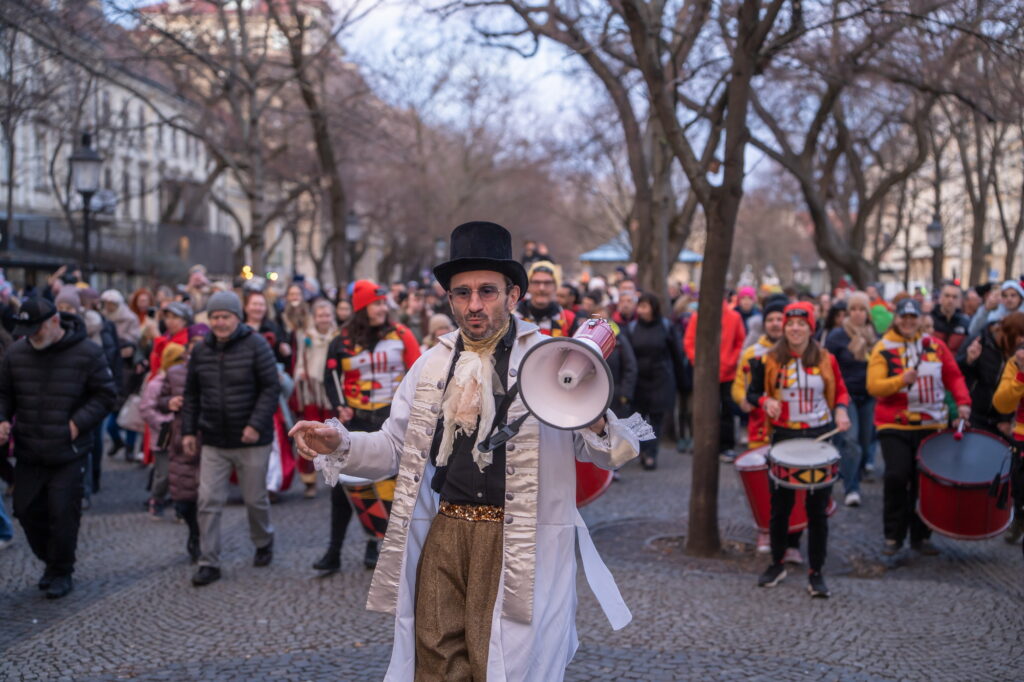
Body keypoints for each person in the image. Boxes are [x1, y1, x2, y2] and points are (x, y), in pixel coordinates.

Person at [290, 221, 640, 681]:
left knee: (501, 665)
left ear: (514, 295)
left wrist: (591, 413)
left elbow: (613, 452)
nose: (474, 305)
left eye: (487, 291)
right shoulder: (431, 363)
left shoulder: (553, 359)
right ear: (450, 299)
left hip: (518, 542)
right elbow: (395, 446)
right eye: (462, 293)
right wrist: (341, 442)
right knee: (434, 660)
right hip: (446, 530)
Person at [0, 298, 117, 598]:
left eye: (35, 329)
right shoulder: (16, 354)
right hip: (29, 449)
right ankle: (52, 561)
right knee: (26, 511)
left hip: (69, 451)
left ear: (54, 322)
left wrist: (78, 423)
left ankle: (61, 570)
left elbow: (106, 395)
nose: (30, 336)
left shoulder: (88, 353)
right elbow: (4, 394)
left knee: (63, 513)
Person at [315, 280, 421, 572]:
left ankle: (376, 544)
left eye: (384, 303)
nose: (383, 308)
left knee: (388, 483)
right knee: (341, 486)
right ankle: (333, 550)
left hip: (391, 417)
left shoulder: (402, 334)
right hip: (356, 418)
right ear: (362, 308)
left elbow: (417, 372)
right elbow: (330, 377)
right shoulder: (343, 339)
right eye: (376, 304)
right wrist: (339, 404)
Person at [747, 302, 851, 598]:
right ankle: (777, 562)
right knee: (780, 507)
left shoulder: (827, 358)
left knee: (817, 509)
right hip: (784, 437)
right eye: (790, 324)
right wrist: (764, 402)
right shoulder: (768, 360)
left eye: (801, 324)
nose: (794, 328)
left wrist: (841, 411)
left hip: (820, 438)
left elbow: (841, 391)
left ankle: (816, 572)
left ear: (810, 328)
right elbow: (753, 393)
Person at [182, 291, 281, 587]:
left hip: (252, 439)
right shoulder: (200, 351)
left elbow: (270, 389)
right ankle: (208, 561)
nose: (219, 322)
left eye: (225, 316)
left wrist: (254, 424)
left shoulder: (257, 345)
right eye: (214, 317)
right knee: (208, 501)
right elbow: (191, 394)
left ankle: (263, 541)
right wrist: (189, 430)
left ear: (237, 317)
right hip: (214, 438)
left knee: (255, 499)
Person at [868, 298, 971, 557]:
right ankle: (893, 534)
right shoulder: (883, 347)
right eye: (904, 317)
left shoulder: (935, 346)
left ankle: (921, 535)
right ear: (897, 318)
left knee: (925, 482)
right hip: (895, 423)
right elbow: (874, 386)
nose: (908, 322)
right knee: (897, 475)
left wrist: (963, 403)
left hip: (932, 422)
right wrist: (899, 380)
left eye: (913, 318)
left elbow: (953, 376)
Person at [732, 294, 788, 552]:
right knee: (763, 485)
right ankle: (763, 530)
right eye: (771, 319)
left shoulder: (796, 351)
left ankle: (790, 536)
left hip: (790, 429)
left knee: (788, 484)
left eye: (780, 319)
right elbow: (738, 387)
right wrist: (744, 400)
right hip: (759, 427)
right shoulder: (753, 352)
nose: (776, 323)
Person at [826, 292, 878, 507]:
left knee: (866, 443)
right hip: (846, 396)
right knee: (851, 441)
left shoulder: (874, 337)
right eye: (854, 309)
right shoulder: (837, 336)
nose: (858, 313)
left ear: (867, 313)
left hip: (869, 396)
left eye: (862, 309)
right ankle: (852, 488)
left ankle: (851, 469)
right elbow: (827, 368)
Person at [626, 292, 686, 470]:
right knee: (638, 420)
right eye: (640, 306)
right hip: (639, 381)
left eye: (645, 306)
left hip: (661, 379)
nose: (642, 310)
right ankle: (644, 450)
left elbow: (676, 354)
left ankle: (651, 454)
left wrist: (683, 380)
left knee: (656, 419)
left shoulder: (666, 327)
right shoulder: (632, 328)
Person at [684, 296, 746, 461]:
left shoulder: (734, 317)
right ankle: (704, 444)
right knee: (703, 411)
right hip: (705, 374)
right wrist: (699, 363)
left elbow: (740, 342)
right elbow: (689, 342)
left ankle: (726, 447)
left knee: (727, 410)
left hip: (728, 373)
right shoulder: (697, 317)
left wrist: (731, 361)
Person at [293, 299, 339, 498]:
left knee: (333, 434)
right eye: (320, 315)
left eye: (327, 315)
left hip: (329, 391)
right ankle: (308, 479)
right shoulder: (307, 336)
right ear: (314, 317)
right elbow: (301, 358)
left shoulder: (337, 336)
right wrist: (301, 373)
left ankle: (337, 474)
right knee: (309, 434)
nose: (324, 319)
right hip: (312, 389)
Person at [990, 342, 1024, 550]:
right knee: (1020, 491)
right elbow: (1001, 404)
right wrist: (1021, 375)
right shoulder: (1018, 359)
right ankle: (1020, 516)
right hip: (1022, 438)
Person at [515, 261, 579, 337]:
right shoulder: (513, 318)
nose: (541, 288)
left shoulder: (568, 320)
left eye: (547, 283)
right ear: (528, 286)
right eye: (536, 282)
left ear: (555, 287)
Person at [931, 283, 970, 353]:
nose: (950, 300)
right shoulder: (931, 319)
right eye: (947, 296)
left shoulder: (965, 323)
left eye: (954, 297)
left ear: (960, 300)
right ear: (940, 298)